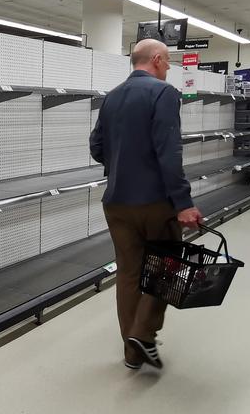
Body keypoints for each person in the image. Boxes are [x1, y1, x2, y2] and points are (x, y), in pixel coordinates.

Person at [90, 38, 203, 370]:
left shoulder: (111, 97)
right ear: (156, 59)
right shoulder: (163, 93)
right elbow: (170, 153)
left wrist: (119, 168)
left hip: (116, 203)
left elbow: (96, 146)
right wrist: (183, 203)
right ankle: (143, 332)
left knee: (128, 273)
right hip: (155, 202)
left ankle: (132, 351)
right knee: (167, 265)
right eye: (168, 62)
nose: (168, 68)